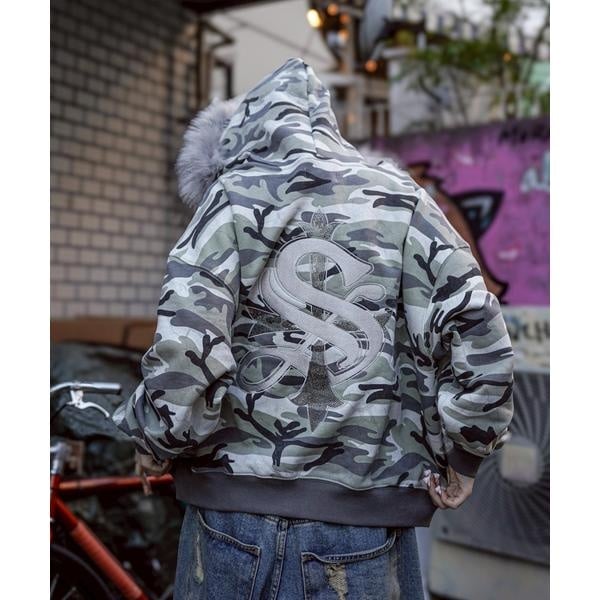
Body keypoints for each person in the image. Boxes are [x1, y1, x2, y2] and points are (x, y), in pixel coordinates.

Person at [113, 58, 514, 599]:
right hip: (364, 526)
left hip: (229, 521)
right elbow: (475, 323)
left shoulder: (230, 199)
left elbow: (187, 347)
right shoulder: (402, 201)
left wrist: (156, 437)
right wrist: (467, 450)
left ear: (245, 131)